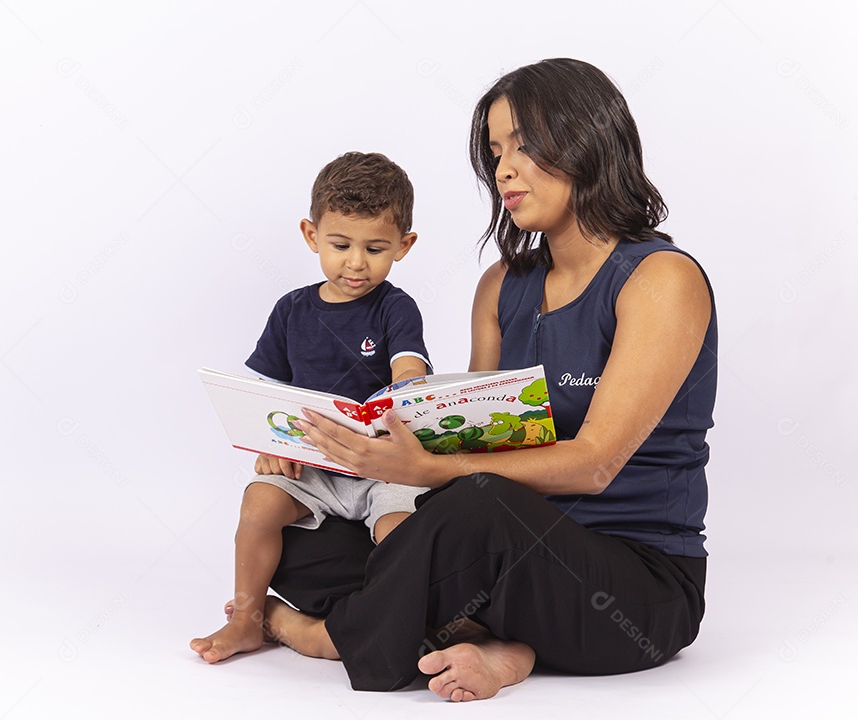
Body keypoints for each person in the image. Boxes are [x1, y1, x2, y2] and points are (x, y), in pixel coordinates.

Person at [260, 58, 717, 702]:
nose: (502, 169)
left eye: (525, 147)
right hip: (500, 555)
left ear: (587, 143)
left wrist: (428, 471)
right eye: (496, 151)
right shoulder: (501, 286)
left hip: (632, 585)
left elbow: (593, 465)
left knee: (476, 503)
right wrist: (370, 450)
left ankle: (334, 634)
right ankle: (499, 642)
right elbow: (477, 440)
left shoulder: (661, 281)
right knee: (292, 521)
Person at [190, 152, 433, 664]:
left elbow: (410, 371)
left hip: (380, 468)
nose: (356, 263)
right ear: (311, 235)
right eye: (340, 245)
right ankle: (248, 620)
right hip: (312, 465)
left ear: (404, 246)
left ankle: (394, 623)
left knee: (401, 533)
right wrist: (267, 448)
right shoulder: (292, 310)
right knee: (259, 502)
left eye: (376, 248)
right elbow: (261, 398)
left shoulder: (396, 307)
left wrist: (402, 394)